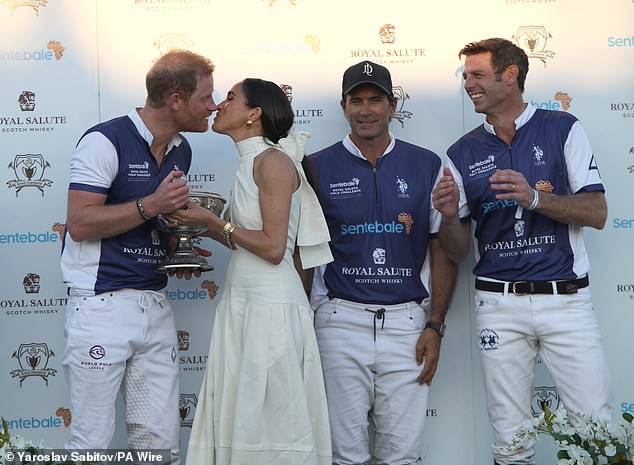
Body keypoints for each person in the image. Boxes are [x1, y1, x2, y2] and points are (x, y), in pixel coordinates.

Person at [432, 38, 613, 465]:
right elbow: (457, 250)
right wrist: (446, 218)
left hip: (566, 301)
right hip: (498, 304)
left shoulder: (562, 127)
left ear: (509, 75)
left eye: (477, 75)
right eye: (466, 76)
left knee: (597, 431)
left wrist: (535, 198)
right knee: (510, 439)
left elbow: (598, 211)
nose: (468, 83)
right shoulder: (461, 153)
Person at [60, 49, 216, 464]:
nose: (213, 106)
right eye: (205, 98)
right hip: (101, 303)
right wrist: (152, 204)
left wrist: (177, 246)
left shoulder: (181, 149)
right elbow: (80, 222)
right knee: (90, 440)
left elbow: (153, 220)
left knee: (159, 444)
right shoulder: (104, 140)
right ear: (176, 100)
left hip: (154, 302)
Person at [303, 60, 458, 465]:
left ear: (392, 106)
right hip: (339, 322)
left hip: (409, 326)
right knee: (342, 454)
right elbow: (303, 253)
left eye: (376, 100)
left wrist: (435, 325)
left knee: (403, 455)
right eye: (357, 100)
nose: (366, 109)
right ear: (343, 106)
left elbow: (443, 247)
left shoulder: (426, 164)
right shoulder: (315, 166)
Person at [174, 78, 333, 465]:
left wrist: (214, 221)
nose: (218, 106)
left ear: (253, 114)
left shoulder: (273, 162)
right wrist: (199, 234)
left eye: (230, 98)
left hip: (270, 308)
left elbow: (274, 248)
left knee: (274, 427)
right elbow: (242, 240)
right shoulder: (249, 162)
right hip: (241, 304)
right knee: (243, 419)